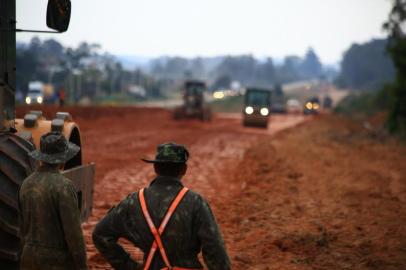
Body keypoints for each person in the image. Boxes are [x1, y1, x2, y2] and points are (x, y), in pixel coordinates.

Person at [92, 143, 231, 270]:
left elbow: (100, 234)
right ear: (184, 169)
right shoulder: (196, 202)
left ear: (155, 167)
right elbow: (215, 249)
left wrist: (129, 266)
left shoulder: (134, 201)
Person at [18, 132, 88, 270]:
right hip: (56, 263)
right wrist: (82, 266)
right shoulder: (64, 186)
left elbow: (22, 229)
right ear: (62, 159)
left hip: (28, 259)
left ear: (42, 157)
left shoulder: (25, 184)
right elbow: (73, 234)